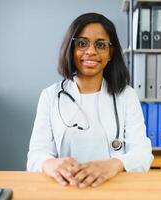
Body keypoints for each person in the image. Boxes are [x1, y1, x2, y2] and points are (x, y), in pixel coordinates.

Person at [27, 12, 153, 188]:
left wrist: (113, 164)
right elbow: (35, 156)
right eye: (81, 43)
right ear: (71, 50)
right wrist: (51, 164)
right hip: (66, 188)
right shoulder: (50, 96)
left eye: (100, 45)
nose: (91, 51)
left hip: (113, 187)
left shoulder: (126, 95)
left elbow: (143, 154)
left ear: (110, 53)